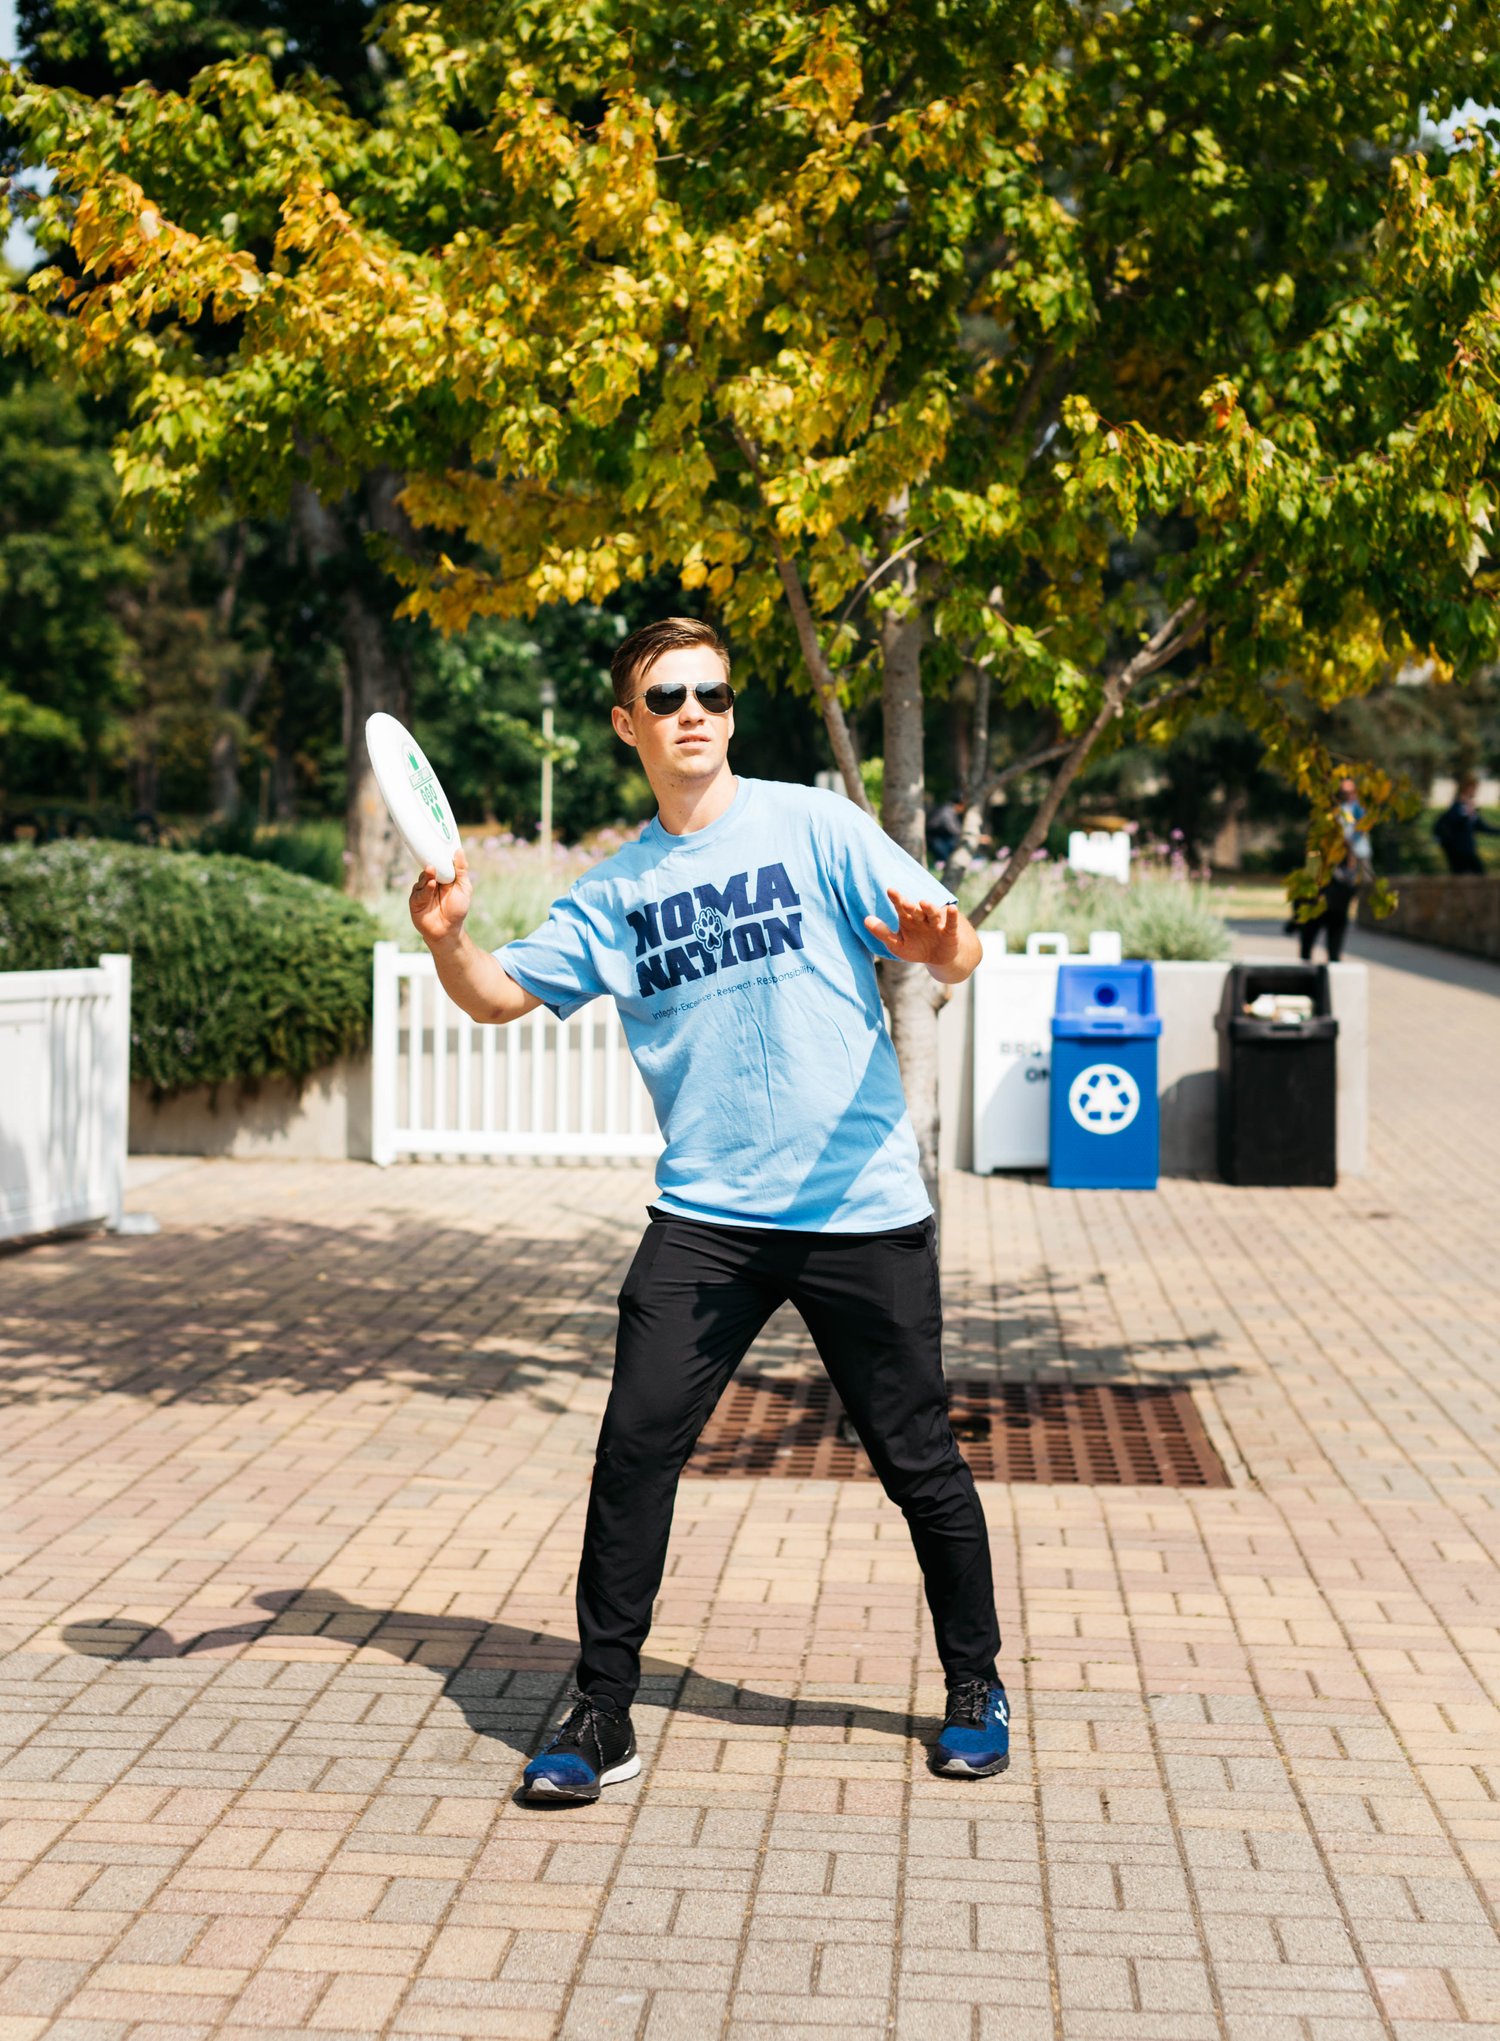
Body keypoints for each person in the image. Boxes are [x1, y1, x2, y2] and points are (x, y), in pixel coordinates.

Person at [409, 616, 1007, 1800]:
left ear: (732, 711)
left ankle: (976, 1684)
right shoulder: (618, 890)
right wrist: (447, 938)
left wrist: (948, 947)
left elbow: (955, 946)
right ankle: (599, 1711)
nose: (696, 711)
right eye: (667, 695)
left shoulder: (815, 823)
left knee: (917, 1458)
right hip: (711, 1220)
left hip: (858, 1207)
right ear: (628, 724)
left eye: (714, 693)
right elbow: (494, 998)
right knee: (635, 1448)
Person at [1298, 776, 1370, 964]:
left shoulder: (1357, 813)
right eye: (1343, 793)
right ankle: (1306, 959)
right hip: (1323, 881)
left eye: (1350, 793)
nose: (1347, 796)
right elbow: (1312, 853)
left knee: (1336, 924)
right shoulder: (1326, 818)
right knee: (1312, 923)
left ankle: (1334, 960)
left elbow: (1358, 837)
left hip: (1341, 882)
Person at [1434, 774, 1499, 875]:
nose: (1476, 791)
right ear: (1467, 788)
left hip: (1468, 850)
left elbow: (1481, 826)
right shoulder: (1457, 807)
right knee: (1470, 877)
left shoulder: (1469, 808)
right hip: (1457, 851)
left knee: (1476, 876)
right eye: (1474, 788)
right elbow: (1452, 823)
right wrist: (1466, 815)